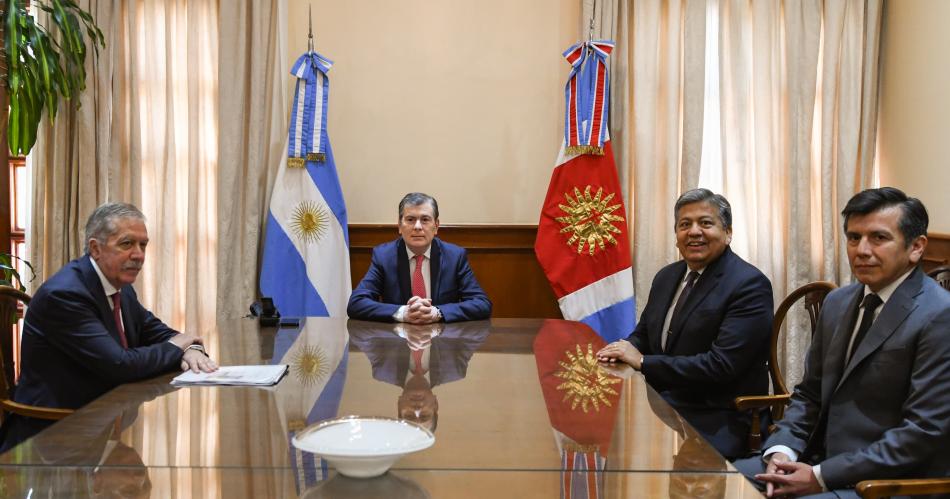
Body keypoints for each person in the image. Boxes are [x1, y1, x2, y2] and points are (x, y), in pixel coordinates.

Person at [735, 187, 950, 498]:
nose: (861, 250)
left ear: (916, 247)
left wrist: (821, 476)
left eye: (878, 238)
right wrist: (782, 452)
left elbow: (922, 433)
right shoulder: (838, 302)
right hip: (816, 461)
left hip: (887, 482)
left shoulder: (939, 314)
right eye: (853, 237)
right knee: (715, 480)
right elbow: (809, 394)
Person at [0, 202, 217, 450]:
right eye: (127, 244)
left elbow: (157, 333)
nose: (139, 255)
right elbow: (120, 365)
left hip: (103, 419)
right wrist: (179, 346)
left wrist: (191, 349)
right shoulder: (66, 294)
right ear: (95, 248)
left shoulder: (119, 289)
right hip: (55, 435)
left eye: (143, 245)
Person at [596, 188, 773, 459]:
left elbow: (721, 366)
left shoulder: (748, 285)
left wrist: (642, 362)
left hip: (720, 414)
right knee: (607, 438)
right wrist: (622, 349)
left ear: (728, 233)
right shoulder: (667, 276)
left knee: (641, 455)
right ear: (676, 235)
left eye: (705, 223)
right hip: (665, 404)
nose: (694, 232)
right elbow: (644, 333)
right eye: (684, 224)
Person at [347, 192, 492, 323]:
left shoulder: (455, 256)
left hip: (443, 344)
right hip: (396, 344)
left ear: (436, 226)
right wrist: (403, 312)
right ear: (399, 226)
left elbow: (482, 303)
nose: (417, 226)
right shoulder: (384, 256)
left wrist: (438, 312)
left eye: (425, 220)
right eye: (410, 219)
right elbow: (356, 303)